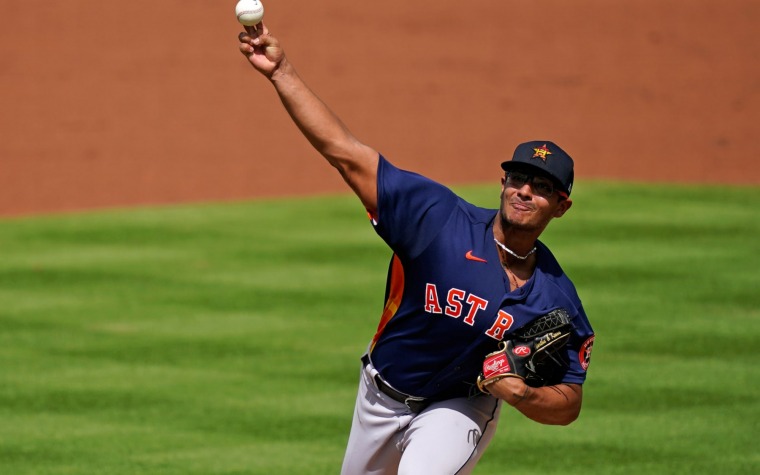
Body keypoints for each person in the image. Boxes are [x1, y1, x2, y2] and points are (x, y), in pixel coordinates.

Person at [238, 21, 595, 475]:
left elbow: (570, 403)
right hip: (378, 395)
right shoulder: (438, 219)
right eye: (519, 178)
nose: (525, 191)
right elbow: (345, 153)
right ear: (502, 181)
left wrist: (522, 394)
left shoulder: (555, 297)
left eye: (541, 186)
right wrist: (281, 70)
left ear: (561, 206)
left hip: (459, 407)